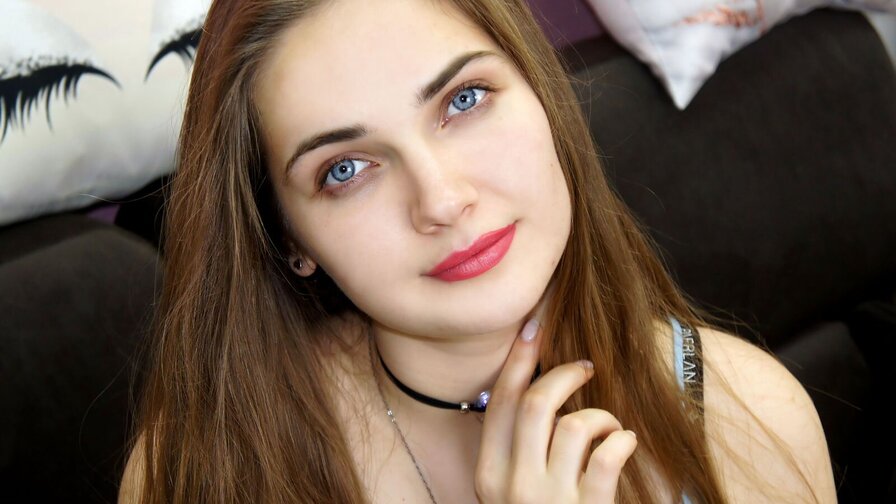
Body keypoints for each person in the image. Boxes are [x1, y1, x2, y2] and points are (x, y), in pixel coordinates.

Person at [118, 0, 837, 502]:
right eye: (346, 169)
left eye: (463, 100)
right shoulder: (197, 466)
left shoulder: (755, 422)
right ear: (289, 239)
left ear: (542, 94)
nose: (441, 200)